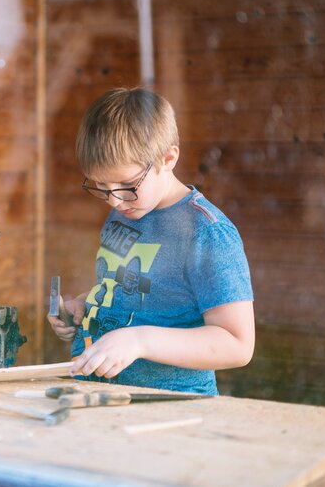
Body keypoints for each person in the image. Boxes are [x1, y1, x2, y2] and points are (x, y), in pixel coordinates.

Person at [48, 88, 254, 395]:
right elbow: (132, 289)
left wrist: (138, 341)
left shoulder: (206, 233)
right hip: (104, 397)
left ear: (168, 158)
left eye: (128, 185)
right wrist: (85, 305)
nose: (115, 200)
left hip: (170, 406)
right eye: (102, 186)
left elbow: (237, 344)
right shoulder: (127, 210)